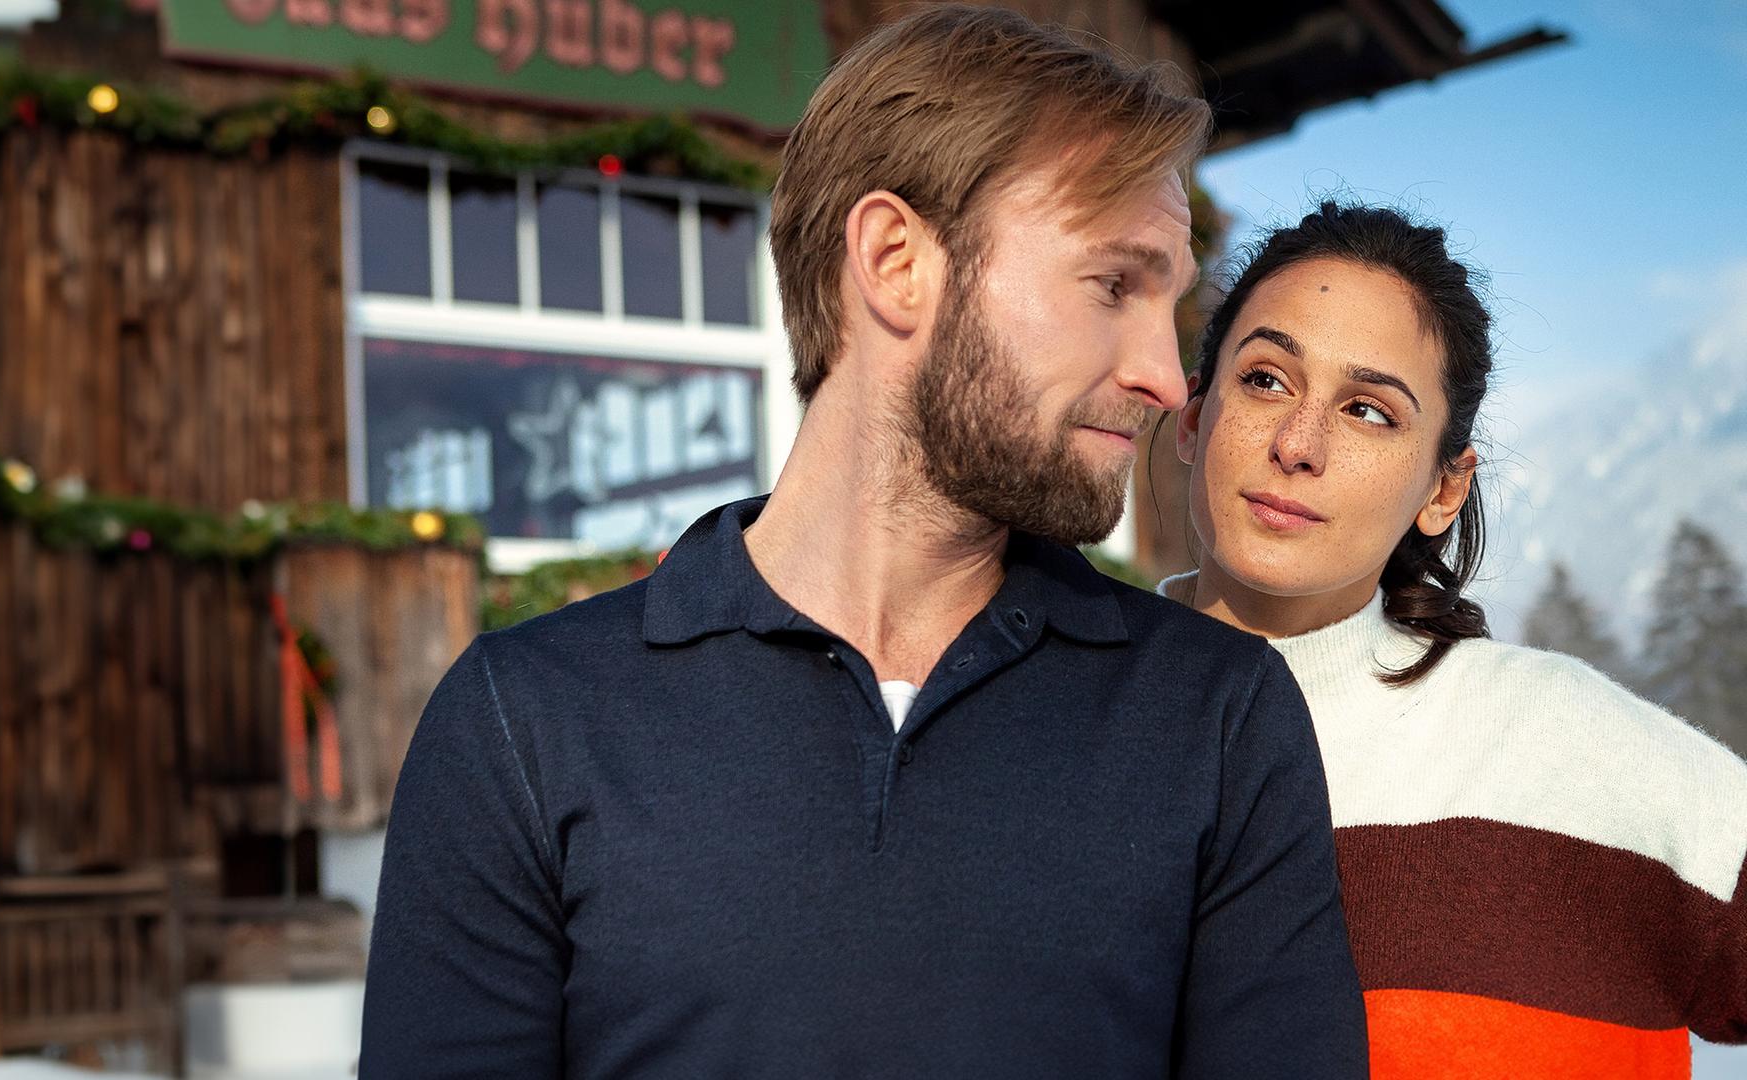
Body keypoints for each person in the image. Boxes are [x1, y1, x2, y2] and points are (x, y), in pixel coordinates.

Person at [360, 7, 1369, 1077]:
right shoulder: (525, 724)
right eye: (1114, 284)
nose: (1167, 379)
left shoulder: (1216, 718)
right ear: (895, 261)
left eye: (1170, 303)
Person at [1165, 201, 1747, 1078]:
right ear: (1191, 416)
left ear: (1444, 488)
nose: (1298, 444)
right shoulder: (1048, 721)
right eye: (1266, 380)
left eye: (1368, 411)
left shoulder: (1571, 748)